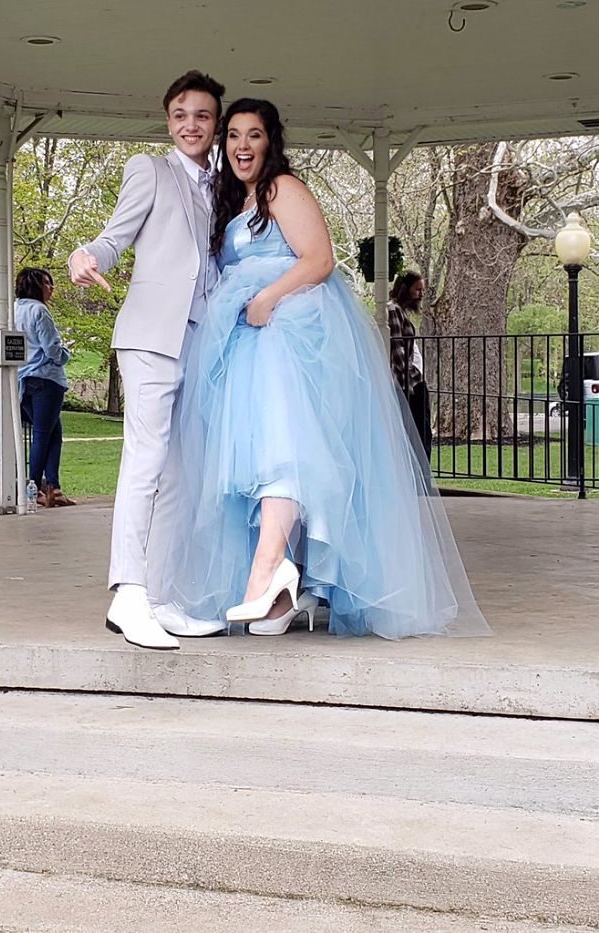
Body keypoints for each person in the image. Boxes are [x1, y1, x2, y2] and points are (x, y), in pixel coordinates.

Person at [155, 99, 490, 641]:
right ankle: (281, 587)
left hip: (286, 332)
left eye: (254, 135)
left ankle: (268, 572)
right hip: (241, 339)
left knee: (283, 449)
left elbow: (319, 258)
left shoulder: (282, 188)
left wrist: (267, 299)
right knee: (253, 461)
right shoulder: (231, 202)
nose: (242, 146)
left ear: (271, 141)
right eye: (234, 135)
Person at [69, 70, 227, 650]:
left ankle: (161, 596)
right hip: (150, 335)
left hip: (204, 340)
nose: (191, 125)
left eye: (203, 116)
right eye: (181, 114)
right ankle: (128, 592)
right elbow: (115, 236)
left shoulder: (229, 182)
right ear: (168, 121)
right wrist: (84, 256)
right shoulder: (150, 171)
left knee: (185, 474)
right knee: (147, 461)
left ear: (216, 124)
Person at [14, 267, 76, 509]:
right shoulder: (40, 311)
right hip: (46, 381)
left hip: (23, 379)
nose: (52, 288)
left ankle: (54, 488)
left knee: (53, 434)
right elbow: (52, 350)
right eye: (48, 283)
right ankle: (35, 489)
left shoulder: (14, 309)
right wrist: (65, 354)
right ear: (36, 286)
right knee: (42, 435)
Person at [387, 271, 432, 460]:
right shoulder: (393, 311)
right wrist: (411, 383)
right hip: (408, 383)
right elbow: (397, 350)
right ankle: (421, 474)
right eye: (417, 290)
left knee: (423, 431)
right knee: (419, 432)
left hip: (410, 380)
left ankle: (423, 474)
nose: (420, 294)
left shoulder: (400, 311)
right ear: (405, 289)